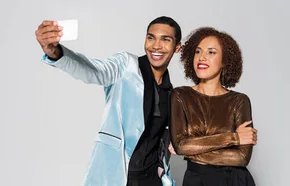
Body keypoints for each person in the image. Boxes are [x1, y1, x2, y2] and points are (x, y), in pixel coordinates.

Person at [35, 16, 182, 186]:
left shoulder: (171, 93)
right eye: (151, 37)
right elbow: (94, 70)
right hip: (117, 176)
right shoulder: (125, 66)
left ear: (177, 47)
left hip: (151, 179)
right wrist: (56, 53)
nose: (156, 45)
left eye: (165, 39)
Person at [169, 27, 258, 186]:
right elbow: (181, 146)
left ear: (225, 61)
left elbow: (242, 158)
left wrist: (192, 151)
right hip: (196, 179)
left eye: (211, 52)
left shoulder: (239, 101)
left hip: (234, 180)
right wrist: (234, 138)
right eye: (197, 51)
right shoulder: (180, 96)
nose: (201, 57)